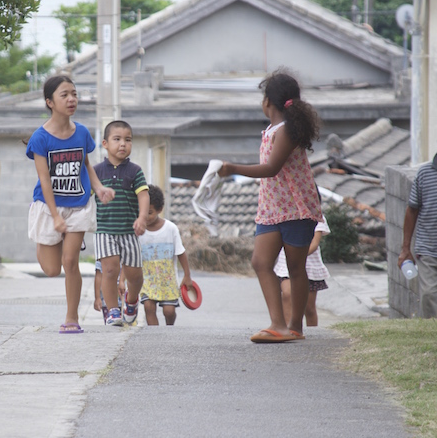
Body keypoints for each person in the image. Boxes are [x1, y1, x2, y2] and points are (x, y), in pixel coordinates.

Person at [218, 69, 322, 343]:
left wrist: (231, 168)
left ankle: (293, 326)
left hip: (296, 209)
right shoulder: (272, 131)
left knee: (295, 267)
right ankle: (279, 323)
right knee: (260, 262)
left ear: (268, 102)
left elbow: (271, 168)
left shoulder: (287, 131)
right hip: (272, 209)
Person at [26, 75, 115, 334]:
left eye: (74, 94)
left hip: (79, 204)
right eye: (64, 95)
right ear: (49, 102)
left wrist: (98, 188)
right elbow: (44, 179)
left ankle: (72, 317)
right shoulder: (40, 138)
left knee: (70, 261)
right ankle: (44, 242)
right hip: (48, 205)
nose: (71, 99)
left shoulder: (82, 133)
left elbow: (85, 164)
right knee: (52, 270)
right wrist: (54, 217)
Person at [94, 120, 149, 326]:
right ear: (105, 143)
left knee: (135, 275)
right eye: (117, 139)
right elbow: (86, 198)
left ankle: (131, 300)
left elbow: (143, 195)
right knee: (109, 271)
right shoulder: (97, 171)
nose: (123, 144)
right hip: (104, 230)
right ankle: (113, 310)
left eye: (128, 140)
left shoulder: (134, 171)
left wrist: (142, 218)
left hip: (129, 230)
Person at [139, 185, 194, 326]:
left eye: (149, 212)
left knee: (169, 311)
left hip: (168, 280)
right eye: (141, 211)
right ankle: (155, 336)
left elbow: (181, 252)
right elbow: (130, 257)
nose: (145, 216)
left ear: (159, 209)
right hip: (147, 279)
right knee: (148, 307)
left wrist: (187, 276)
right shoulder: (137, 230)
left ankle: (169, 329)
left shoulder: (171, 229)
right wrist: (123, 279)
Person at [399, 153, 437, 318]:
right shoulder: (425, 173)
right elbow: (412, 210)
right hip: (428, 247)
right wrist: (405, 248)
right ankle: (430, 331)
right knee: (429, 294)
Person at [274, 216, 330, 327]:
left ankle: (313, 331)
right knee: (287, 295)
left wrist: (297, 256)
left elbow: (314, 244)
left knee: (308, 308)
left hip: (309, 266)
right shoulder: (283, 213)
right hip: (286, 263)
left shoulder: (316, 216)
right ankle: (287, 329)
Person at [93, 260, 124, 324]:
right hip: (107, 300)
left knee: (127, 324)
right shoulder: (102, 258)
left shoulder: (125, 255)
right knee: (111, 323)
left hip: (124, 298)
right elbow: (98, 276)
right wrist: (97, 297)